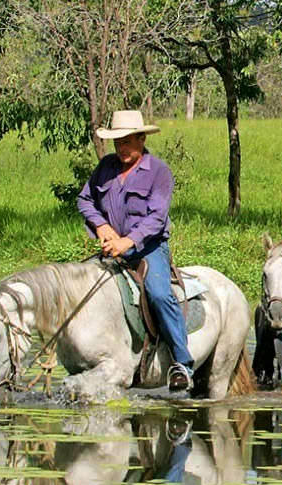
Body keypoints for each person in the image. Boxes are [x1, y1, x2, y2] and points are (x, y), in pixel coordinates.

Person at [77, 110, 193, 392]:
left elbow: (156, 217)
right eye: (118, 142)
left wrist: (126, 242)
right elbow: (84, 200)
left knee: (158, 293)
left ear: (142, 138)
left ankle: (182, 363)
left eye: (127, 141)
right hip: (111, 247)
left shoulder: (159, 172)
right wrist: (102, 227)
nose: (122, 148)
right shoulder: (105, 167)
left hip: (148, 249)